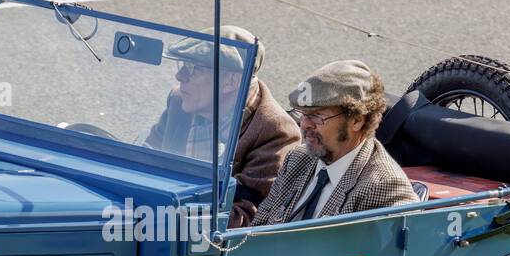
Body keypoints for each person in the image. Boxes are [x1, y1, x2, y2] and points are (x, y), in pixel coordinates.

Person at [144, 26, 299, 227]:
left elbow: (245, 216)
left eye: (194, 67)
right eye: (183, 64)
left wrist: (159, 213)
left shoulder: (276, 131)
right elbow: (144, 160)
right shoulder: (179, 102)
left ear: (231, 81)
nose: (180, 76)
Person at [250, 60, 417, 226]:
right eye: (304, 114)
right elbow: (256, 229)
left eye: (317, 116)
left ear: (357, 120)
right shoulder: (297, 158)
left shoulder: (384, 188)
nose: (305, 124)